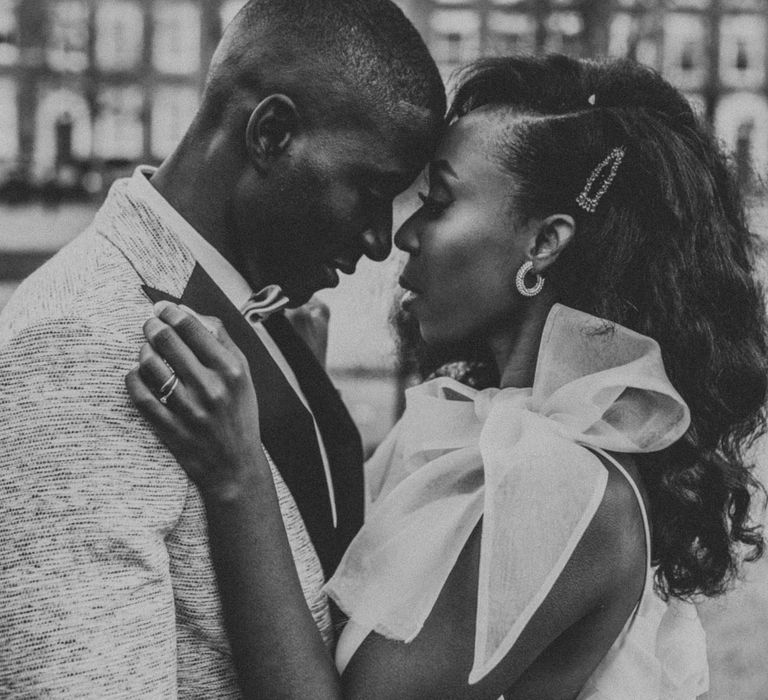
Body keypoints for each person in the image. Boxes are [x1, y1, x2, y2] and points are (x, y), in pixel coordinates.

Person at [127, 55, 768, 699]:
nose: (403, 234)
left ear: (544, 243)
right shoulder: (481, 423)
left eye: (438, 202)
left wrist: (239, 476)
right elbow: (339, 567)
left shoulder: (567, 484)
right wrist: (306, 388)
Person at [0, 1, 445, 695]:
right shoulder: (79, 339)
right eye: (370, 189)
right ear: (272, 133)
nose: (380, 240)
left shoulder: (262, 309)